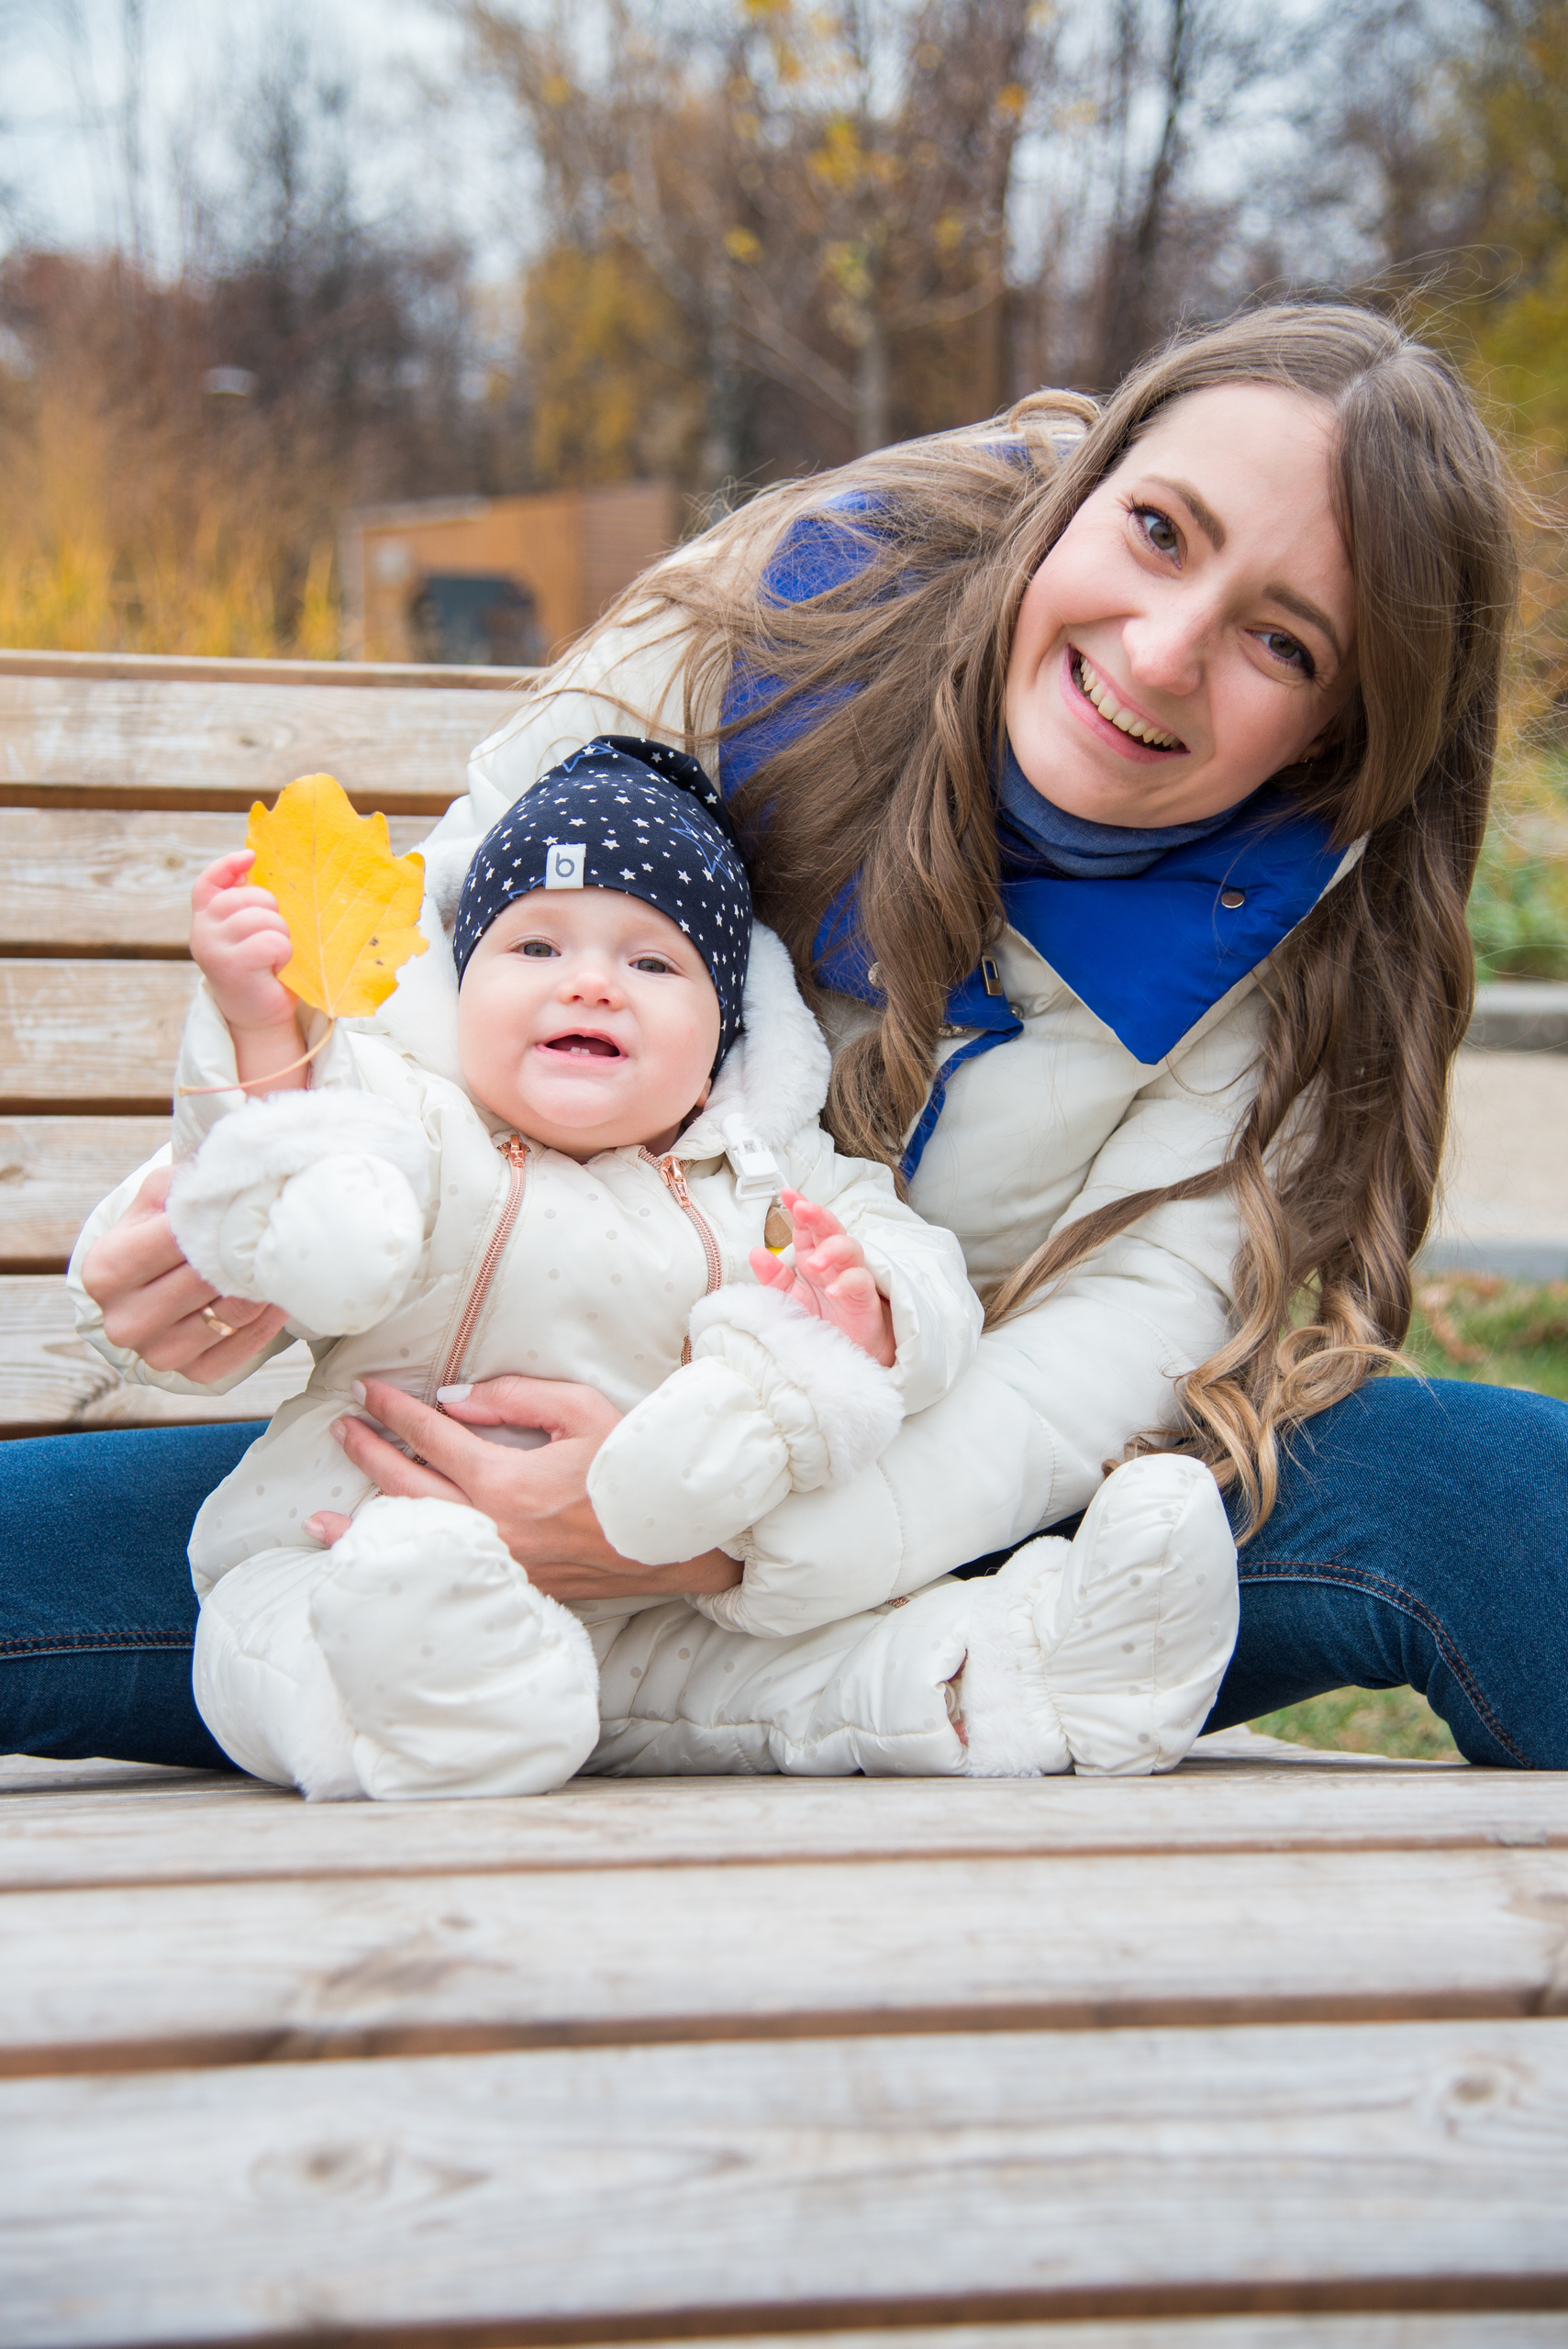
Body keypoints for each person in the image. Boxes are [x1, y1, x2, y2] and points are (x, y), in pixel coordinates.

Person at [15, 299, 1567, 1774]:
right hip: (431, 1463)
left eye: (1280, 642)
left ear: (1339, 736)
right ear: (1081, 492)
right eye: (1155, 531)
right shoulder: (783, 613)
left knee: (1460, 1489)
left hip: (918, 1525)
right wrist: (244, 1206)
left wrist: (714, 1527)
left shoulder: (1298, 943)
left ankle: (987, 1680)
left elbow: (1100, 1357)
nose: (1159, 650)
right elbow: (440, 974)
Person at [144, 734, 1237, 1797]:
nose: (589, 984)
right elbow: (282, 1172)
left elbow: (922, 1269)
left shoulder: (767, 1177)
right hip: (350, 1548)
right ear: (461, 987)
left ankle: (1049, 1668)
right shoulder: (421, 1122)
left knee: (830, 1677)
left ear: (723, 1032)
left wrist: (873, 1317)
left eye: (651, 961)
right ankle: (438, 1704)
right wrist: (255, 1030)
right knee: (265, 1640)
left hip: (652, 1607)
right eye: (534, 948)